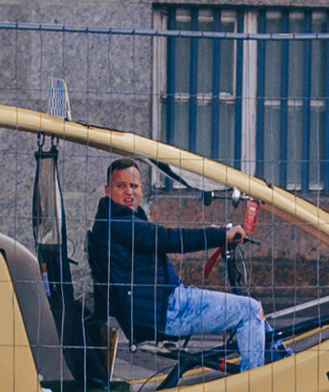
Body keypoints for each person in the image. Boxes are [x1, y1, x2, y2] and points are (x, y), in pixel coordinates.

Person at [88, 156, 276, 369]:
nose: (129, 192)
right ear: (107, 190)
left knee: (256, 314)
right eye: (121, 186)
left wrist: (214, 233)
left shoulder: (120, 219)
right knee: (250, 310)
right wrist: (219, 236)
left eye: (134, 186)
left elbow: (159, 236)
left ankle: (281, 363)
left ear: (141, 189)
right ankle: (253, 387)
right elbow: (170, 239)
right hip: (168, 310)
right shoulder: (118, 224)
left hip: (167, 303)